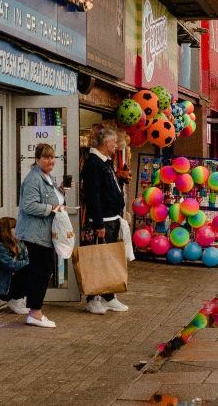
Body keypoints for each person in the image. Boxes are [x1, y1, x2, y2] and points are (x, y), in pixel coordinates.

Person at [16, 143, 65, 328]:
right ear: (37, 159)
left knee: (39, 271)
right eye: (45, 157)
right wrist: (51, 208)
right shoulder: (33, 179)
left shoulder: (48, 177)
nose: (50, 161)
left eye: (52, 157)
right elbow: (28, 206)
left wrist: (60, 192)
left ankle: (18, 298)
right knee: (41, 272)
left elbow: (47, 199)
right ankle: (35, 312)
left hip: (43, 234)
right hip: (34, 235)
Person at [81, 124, 129, 315]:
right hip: (102, 221)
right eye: (114, 142)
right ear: (105, 142)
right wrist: (99, 223)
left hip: (113, 218)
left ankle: (109, 296)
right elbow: (94, 196)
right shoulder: (94, 164)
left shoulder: (106, 162)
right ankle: (93, 298)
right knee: (98, 259)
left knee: (109, 259)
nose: (116, 145)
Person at [0, 216, 30, 314]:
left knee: (36, 269)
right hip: (5, 288)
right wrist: (28, 263)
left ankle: (21, 300)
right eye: (15, 227)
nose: (18, 230)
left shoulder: (19, 244)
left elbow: (27, 259)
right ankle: (15, 300)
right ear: (6, 231)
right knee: (28, 268)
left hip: (14, 282)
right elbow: (11, 265)